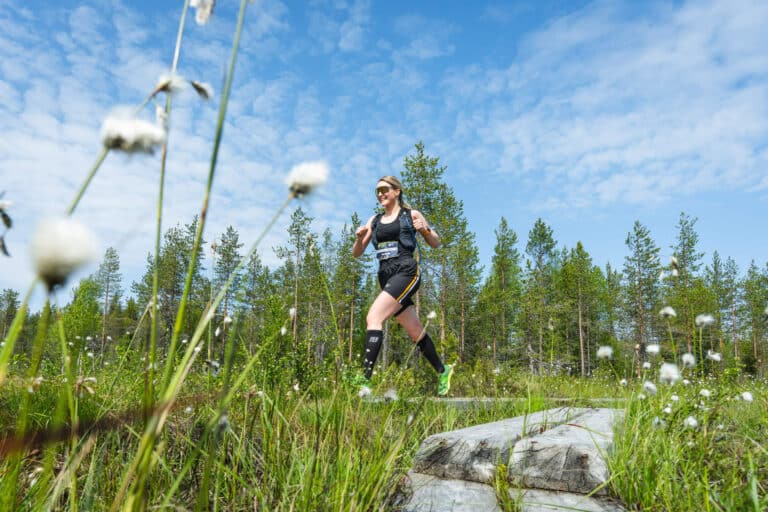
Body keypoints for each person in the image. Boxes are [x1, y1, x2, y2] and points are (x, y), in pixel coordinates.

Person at [351, 175, 453, 396]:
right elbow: (357, 253)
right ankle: (443, 370)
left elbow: (435, 242)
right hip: (386, 278)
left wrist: (425, 230)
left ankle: (364, 380)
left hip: (406, 272)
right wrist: (360, 238)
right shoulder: (374, 221)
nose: (380, 194)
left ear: (396, 191)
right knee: (415, 330)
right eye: (377, 191)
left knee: (374, 317)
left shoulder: (410, 214)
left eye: (384, 189)